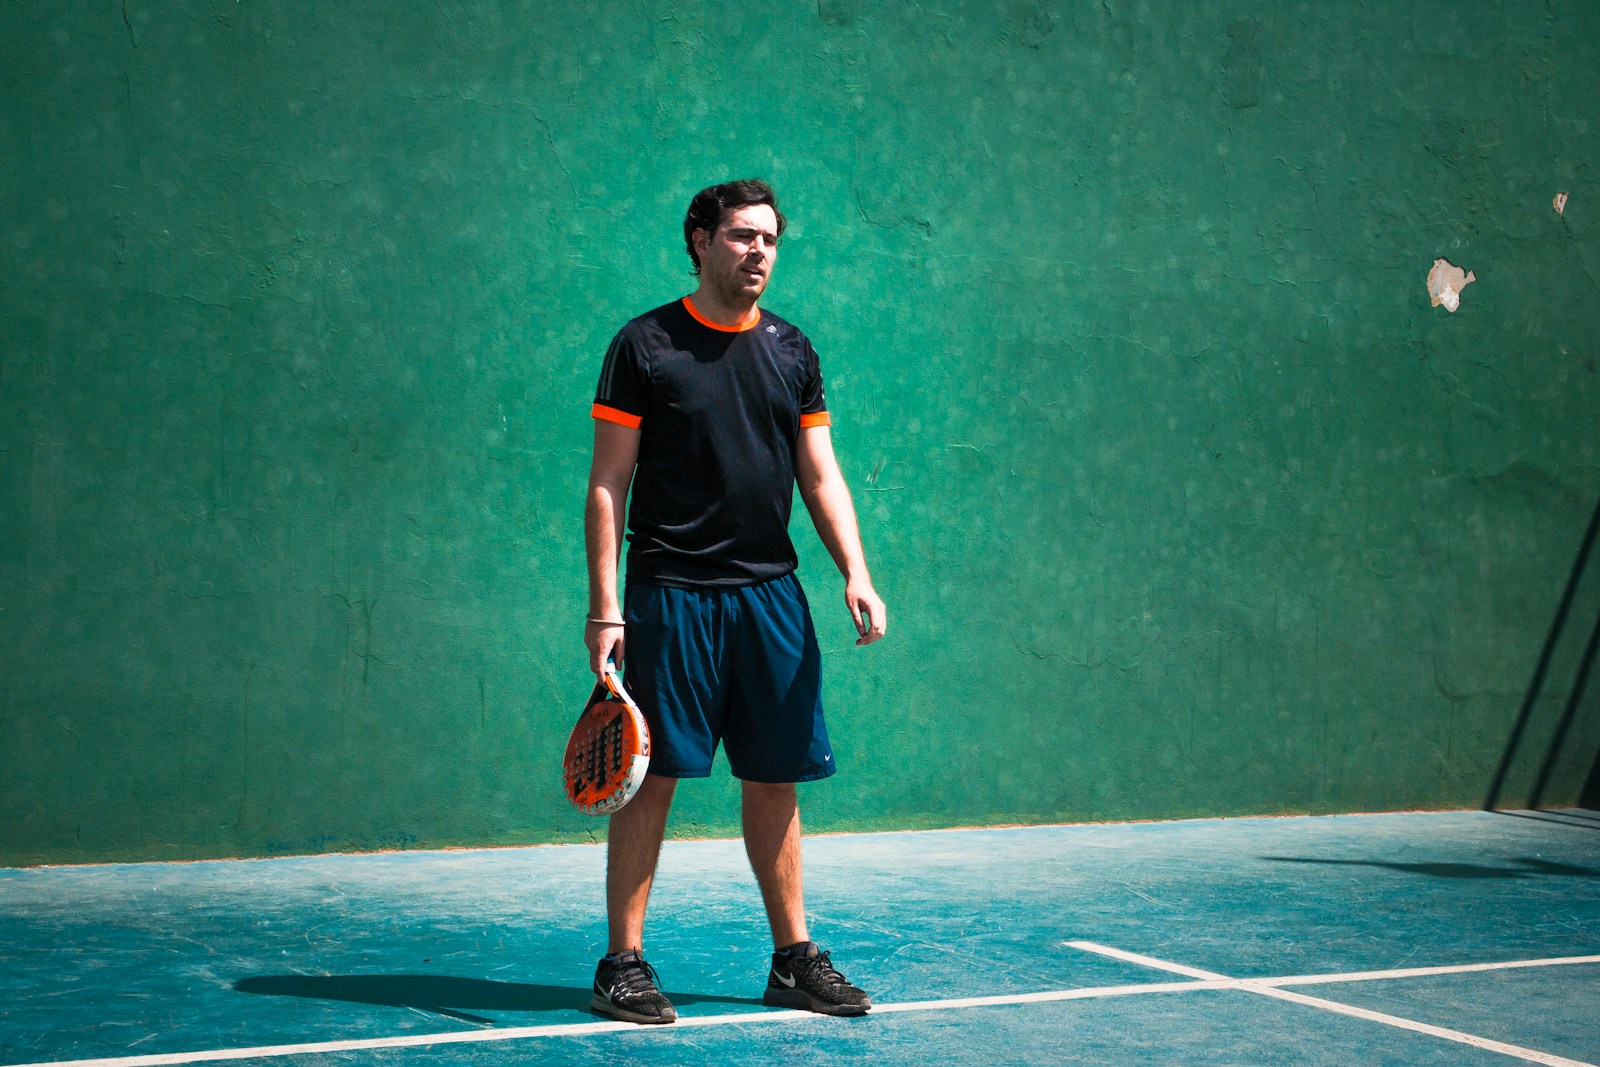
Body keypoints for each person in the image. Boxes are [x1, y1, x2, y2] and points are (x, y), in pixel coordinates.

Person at [583, 179, 887, 1025]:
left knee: (776, 774)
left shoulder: (793, 350)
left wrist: (854, 572)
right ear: (701, 240)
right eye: (743, 236)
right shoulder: (644, 346)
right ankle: (623, 963)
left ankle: (793, 959)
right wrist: (606, 605)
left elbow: (818, 474)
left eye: (771, 240)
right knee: (650, 780)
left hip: (770, 599)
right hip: (670, 594)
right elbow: (609, 482)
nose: (760, 252)